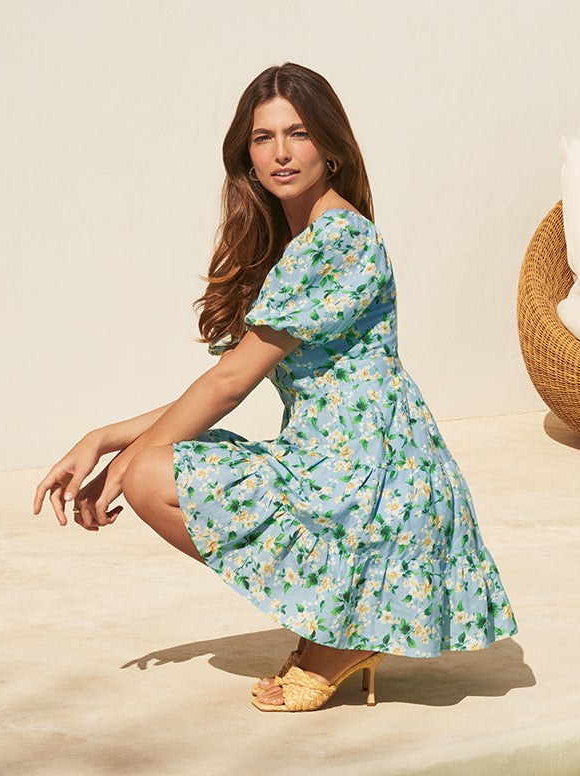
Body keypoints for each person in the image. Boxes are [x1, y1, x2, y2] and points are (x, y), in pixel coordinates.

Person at [33, 62, 516, 712]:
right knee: (152, 465)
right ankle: (338, 623)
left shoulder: (340, 241)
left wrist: (122, 460)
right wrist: (107, 435)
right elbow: (235, 374)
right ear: (247, 154)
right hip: (324, 464)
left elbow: (231, 382)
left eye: (299, 132)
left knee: (149, 475)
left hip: (374, 478)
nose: (282, 152)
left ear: (332, 148)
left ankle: (342, 636)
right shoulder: (298, 244)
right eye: (264, 137)